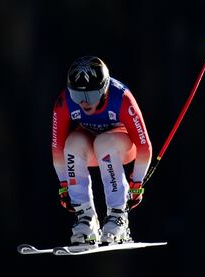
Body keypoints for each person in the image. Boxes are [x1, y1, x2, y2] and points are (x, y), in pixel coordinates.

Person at [51, 56, 152, 244]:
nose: (83, 102)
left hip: (121, 146)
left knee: (104, 143)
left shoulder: (121, 98)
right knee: (72, 143)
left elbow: (144, 146)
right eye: (77, 95)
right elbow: (57, 149)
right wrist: (64, 183)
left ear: (104, 89)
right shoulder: (64, 102)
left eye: (90, 95)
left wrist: (137, 182)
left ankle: (117, 217)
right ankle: (85, 219)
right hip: (92, 146)